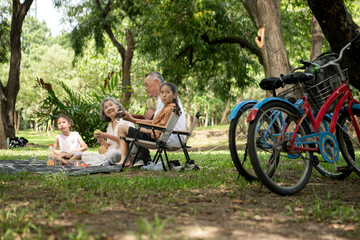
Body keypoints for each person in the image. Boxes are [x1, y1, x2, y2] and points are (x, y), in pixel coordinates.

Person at [144, 72, 199, 170]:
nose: (145, 89)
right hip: (179, 137)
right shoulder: (171, 100)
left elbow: (156, 124)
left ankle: (138, 161)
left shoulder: (165, 101)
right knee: (137, 129)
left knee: (131, 130)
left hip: (167, 138)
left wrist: (133, 120)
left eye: (147, 85)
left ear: (156, 82)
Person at [117, 82, 181, 168]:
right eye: (162, 92)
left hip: (153, 137)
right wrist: (134, 120)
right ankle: (128, 159)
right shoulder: (170, 107)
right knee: (125, 128)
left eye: (167, 92)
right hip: (154, 135)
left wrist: (142, 129)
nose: (164, 95)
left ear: (174, 95)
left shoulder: (169, 109)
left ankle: (126, 160)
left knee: (121, 128)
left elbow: (160, 129)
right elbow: (154, 122)